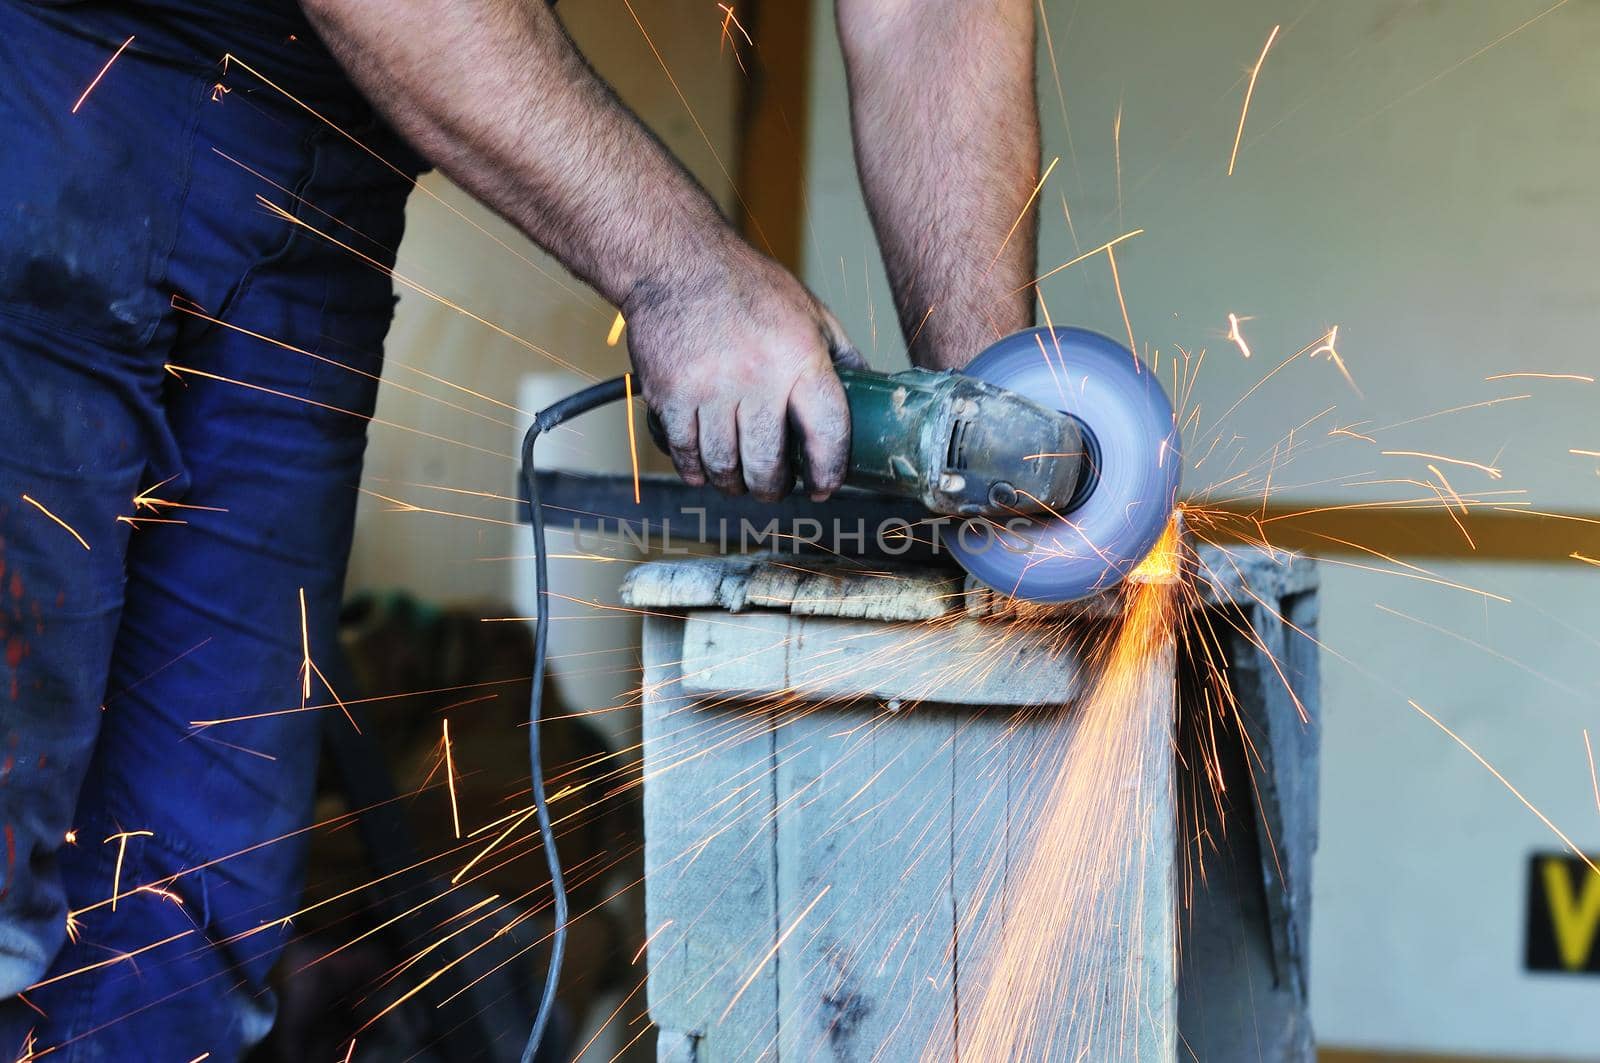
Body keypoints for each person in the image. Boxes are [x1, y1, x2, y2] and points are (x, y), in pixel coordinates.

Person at [0, 0, 1041, 1056]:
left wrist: (997, 432)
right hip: (58, 88)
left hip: (318, 170)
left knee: (189, 914)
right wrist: (685, 271)